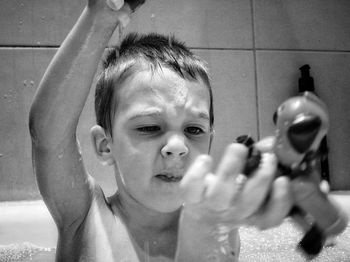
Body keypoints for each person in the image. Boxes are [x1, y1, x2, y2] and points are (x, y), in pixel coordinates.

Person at [28, 0, 293, 261]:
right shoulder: (86, 218)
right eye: (149, 127)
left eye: (193, 129)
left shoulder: (211, 227)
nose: (178, 146)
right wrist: (99, 19)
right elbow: (49, 137)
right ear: (105, 145)